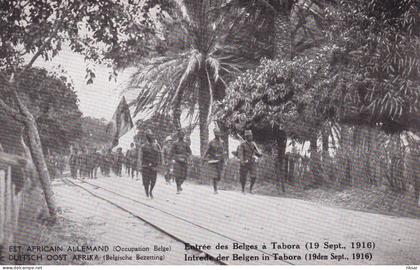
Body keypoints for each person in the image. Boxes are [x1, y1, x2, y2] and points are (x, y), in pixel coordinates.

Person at [238, 130, 262, 194]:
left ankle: (250, 189)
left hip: (252, 162)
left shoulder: (253, 144)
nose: (251, 137)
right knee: (243, 177)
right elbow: (241, 154)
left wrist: (259, 154)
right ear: (246, 137)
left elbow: (256, 152)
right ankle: (243, 189)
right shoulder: (242, 145)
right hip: (245, 162)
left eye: (251, 136)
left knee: (254, 176)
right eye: (250, 136)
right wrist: (242, 161)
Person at [203, 127, 226, 194]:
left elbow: (224, 151)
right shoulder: (211, 142)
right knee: (214, 175)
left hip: (220, 161)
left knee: (219, 175)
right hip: (213, 160)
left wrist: (224, 158)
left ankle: (216, 186)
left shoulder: (222, 142)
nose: (218, 134)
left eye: (219, 133)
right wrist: (204, 158)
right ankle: (215, 189)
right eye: (216, 133)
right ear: (214, 134)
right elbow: (207, 151)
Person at [140, 129, 160, 199]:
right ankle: (147, 193)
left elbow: (158, 155)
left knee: (153, 181)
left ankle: (151, 191)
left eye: (151, 135)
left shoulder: (156, 146)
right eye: (148, 136)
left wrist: (158, 164)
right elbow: (140, 157)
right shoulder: (143, 146)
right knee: (146, 181)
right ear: (147, 137)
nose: (150, 137)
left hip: (154, 166)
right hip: (145, 166)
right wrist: (141, 166)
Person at [170, 130, 192, 194]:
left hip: (184, 161)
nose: (181, 136)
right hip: (177, 161)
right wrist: (171, 159)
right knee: (177, 175)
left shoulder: (186, 144)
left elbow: (190, 152)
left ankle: (180, 184)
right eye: (180, 134)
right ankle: (178, 187)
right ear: (178, 135)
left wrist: (189, 157)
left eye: (183, 134)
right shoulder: (175, 143)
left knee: (184, 175)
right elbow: (171, 152)